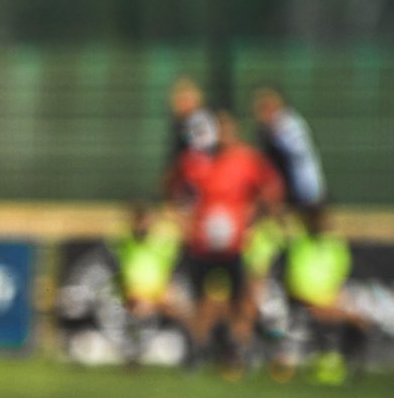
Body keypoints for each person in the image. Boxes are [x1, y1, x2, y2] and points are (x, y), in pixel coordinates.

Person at [168, 110, 284, 376]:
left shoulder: (246, 159)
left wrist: (257, 218)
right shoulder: (196, 160)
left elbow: (271, 190)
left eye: (225, 128)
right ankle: (197, 352)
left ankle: (237, 352)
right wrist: (183, 218)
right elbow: (175, 188)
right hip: (202, 245)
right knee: (202, 302)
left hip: (234, 246)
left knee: (241, 301)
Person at [275, 204, 366, 384]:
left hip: (329, 302)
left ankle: (343, 362)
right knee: (326, 315)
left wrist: (336, 303)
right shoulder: (299, 246)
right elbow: (294, 283)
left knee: (359, 321)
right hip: (305, 302)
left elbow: (339, 281)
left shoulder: (336, 246)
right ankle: (321, 361)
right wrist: (317, 303)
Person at [114, 201, 185, 365]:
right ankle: (134, 352)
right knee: (139, 308)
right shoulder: (126, 241)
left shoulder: (162, 240)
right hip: (136, 293)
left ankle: (191, 350)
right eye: (139, 220)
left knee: (180, 310)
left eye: (145, 220)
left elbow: (171, 266)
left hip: (159, 290)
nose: (142, 225)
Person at [251, 85, 327, 217]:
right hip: (301, 195)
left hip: (305, 196)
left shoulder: (286, 125)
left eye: (264, 108)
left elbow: (282, 163)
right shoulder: (280, 126)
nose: (259, 114)